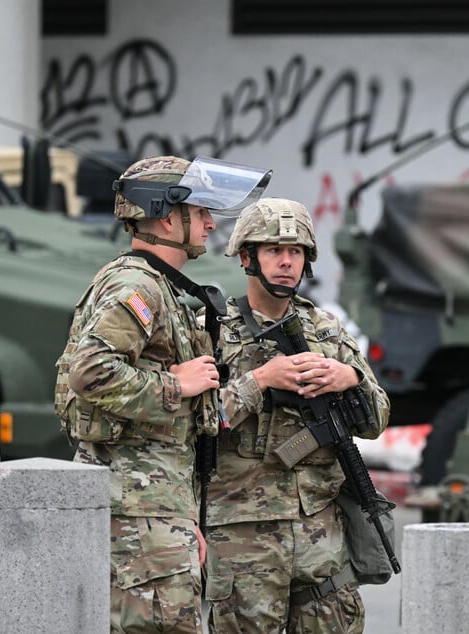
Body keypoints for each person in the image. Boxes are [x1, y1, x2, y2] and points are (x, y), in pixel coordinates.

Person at [55, 155, 271, 633]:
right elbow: (90, 371)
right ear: (168, 216)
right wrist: (178, 384)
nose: (211, 223)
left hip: (154, 510)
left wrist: (182, 516)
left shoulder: (157, 286)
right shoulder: (138, 286)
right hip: (136, 517)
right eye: (201, 211)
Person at [202, 197, 390, 633]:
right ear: (247, 258)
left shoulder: (327, 330)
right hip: (241, 534)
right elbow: (193, 422)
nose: (286, 262)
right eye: (274, 250)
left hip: (320, 531)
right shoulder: (211, 330)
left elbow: (377, 419)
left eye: (296, 252)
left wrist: (348, 379)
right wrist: (260, 380)